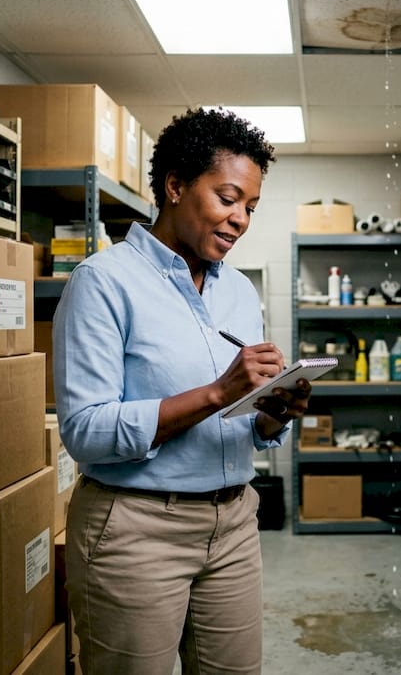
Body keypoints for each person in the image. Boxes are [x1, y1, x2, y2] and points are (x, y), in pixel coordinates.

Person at [53, 107, 311, 674]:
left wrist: (272, 413)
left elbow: (242, 416)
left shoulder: (239, 291)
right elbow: (85, 430)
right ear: (174, 187)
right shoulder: (102, 282)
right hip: (135, 530)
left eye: (250, 207)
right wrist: (218, 391)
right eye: (227, 198)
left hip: (235, 522)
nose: (240, 218)